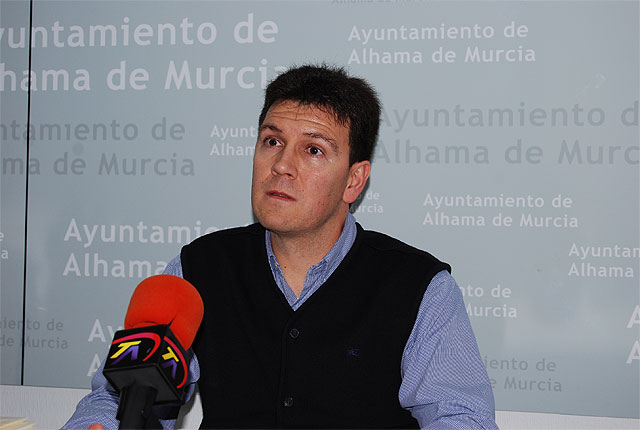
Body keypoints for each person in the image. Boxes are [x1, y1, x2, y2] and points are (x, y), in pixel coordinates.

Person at [65, 64, 498, 429]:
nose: (282, 166)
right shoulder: (198, 268)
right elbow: (119, 398)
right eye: (272, 141)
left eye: (313, 150)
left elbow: (461, 418)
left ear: (354, 180)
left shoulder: (419, 287)